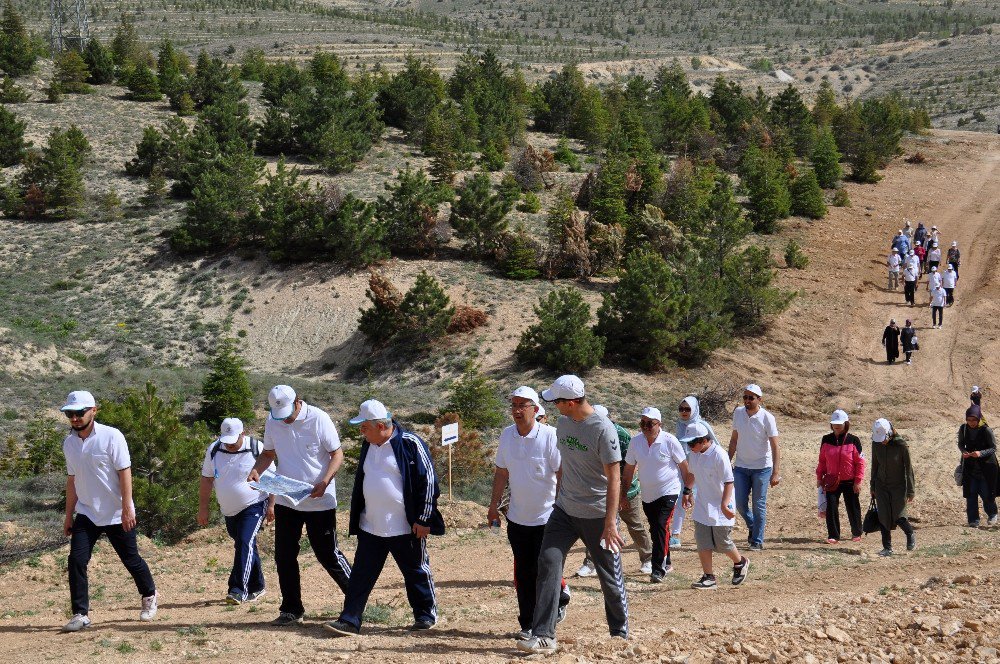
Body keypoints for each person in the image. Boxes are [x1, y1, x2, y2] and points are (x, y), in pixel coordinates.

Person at [517, 375, 629, 655]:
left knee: (609, 576)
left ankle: (620, 631)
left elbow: (614, 478)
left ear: (570, 402)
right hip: (565, 510)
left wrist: (610, 522)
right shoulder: (564, 424)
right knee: (548, 562)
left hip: (597, 513)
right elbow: (565, 465)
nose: (553, 406)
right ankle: (543, 634)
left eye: (556, 402)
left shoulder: (602, 429)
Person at [324, 400, 444, 637]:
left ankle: (425, 615)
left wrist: (423, 518)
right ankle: (350, 620)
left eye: (364, 427)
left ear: (380, 426)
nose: (361, 432)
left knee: (416, 571)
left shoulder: (410, 443)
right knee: (361, 575)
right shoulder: (368, 444)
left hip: (405, 526)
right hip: (372, 525)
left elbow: (428, 482)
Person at [248, 385, 351, 626]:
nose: (284, 420)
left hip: (319, 499)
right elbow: (268, 454)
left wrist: (325, 481)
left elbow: (337, 454)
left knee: (328, 554)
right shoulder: (273, 421)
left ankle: (356, 599)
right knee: (284, 555)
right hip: (287, 499)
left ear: (298, 402)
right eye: (279, 415)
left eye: (287, 414)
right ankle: (291, 609)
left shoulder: (319, 418)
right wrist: (255, 470)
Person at [60, 391, 158, 632]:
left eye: (80, 412)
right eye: (70, 414)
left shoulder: (111, 436)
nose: (75, 418)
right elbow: (72, 479)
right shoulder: (69, 443)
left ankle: (149, 596)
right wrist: (68, 515)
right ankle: (80, 613)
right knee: (76, 560)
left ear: (94, 410)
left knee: (131, 560)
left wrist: (127, 508)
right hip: (87, 512)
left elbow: (125, 471)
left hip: (116, 512)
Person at [487, 387, 569, 641]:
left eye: (523, 405)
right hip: (518, 517)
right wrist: (493, 506)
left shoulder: (550, 436)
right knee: (523, 573)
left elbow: (561, 473)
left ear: (535, 409)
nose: (517, 409)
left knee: (543, 571)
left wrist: (559, 507)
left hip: (547, 518)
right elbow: (501, 472)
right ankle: (528, 624)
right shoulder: (507, 436)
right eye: (514, 404)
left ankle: (545, 623)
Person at [198, 418, 275, 604]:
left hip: (255, 503)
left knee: (245, 541)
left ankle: (238, 589)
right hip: (229, 510)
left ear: (243, 434)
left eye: (233, 440)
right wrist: (203, 509)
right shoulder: (214, 450)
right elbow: (207, 479)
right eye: (226, 440)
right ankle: (257, 586)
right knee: (244, 544)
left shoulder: (257, 448)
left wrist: (272, 505)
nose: (230, 445)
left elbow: (273, 478)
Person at [576, 404, 652, 578]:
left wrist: (623, 494)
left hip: (625, 488)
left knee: (634, 524)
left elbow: (628, 467)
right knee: (595, 526)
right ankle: (590, 563)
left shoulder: (622, 435)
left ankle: (648, 558)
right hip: (600, 488)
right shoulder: (587, 433)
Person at [621, 407, 690, 583]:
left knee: (660, 525)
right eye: (642, 423)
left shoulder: (670, 441)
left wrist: (687, 491)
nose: (645, 427)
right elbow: (628, 470)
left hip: (669, 490)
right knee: (656, 529)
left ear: (659, 424)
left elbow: (684, 467)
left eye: (650, 423)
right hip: (648, 494)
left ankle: (657, 569)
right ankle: (667, 561)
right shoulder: (635, 442)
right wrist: (623, 494)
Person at [681, 422, 750, 589]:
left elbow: (729, 481)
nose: (689, 446)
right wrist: (687, 491)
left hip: (721, 506)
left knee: (722, 542)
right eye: (688, 443)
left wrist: (725, 504)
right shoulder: (694, 454)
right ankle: (708, 577)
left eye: (692, 443)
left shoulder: (719, 455)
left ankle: (740, 562)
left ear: (704, 440)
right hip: (703, 505)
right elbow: (692, 473)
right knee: (702, 541)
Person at [728, 384, 781, 550]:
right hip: (741, 466)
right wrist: (727, 462)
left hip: (762, 468)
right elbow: (734, 439)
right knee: (740, 503)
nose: (747, 400)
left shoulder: (767, 418)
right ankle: (753, 525)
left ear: (759, 400)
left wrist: (775, 472)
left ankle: (757, 540)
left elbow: (775, 446)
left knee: (759, 504)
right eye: (745, 397)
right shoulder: (738, 413)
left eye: (751, 397)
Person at [672, 396, 719, 547]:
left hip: (701, 468)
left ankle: (711, 533)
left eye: (687, 409)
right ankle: (675, 534)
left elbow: (714, 445)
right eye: (681, 409)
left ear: (694, 409)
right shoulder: (679, 425)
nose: (684, 412)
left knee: (702, 501)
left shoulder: (701, 425)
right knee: (681, 499)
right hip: (683, 468)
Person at [816, 410, 865, 544]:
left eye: (839, 424)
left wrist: (858, 480)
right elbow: (822, 460)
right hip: (832, 481)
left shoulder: (854, 440)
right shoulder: (826, 439)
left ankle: (856, 532)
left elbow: (860, 462)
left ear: (846, 423)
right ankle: (833, 535)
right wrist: (819, 477)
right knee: (831, 507)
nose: (836, 426)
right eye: (834, 424)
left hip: (850, 481)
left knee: (853, 506)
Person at [869, 418, 916, 556]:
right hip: (881, 485)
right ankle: (887, 548)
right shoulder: (876, 444)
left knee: (899, 515)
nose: (882, 441)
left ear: (890, 433)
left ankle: (910, 533)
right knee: (883, 516)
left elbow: (909, 469)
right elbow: (875, 465)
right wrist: (872, 485)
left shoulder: (902, 446)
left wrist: (911, 490)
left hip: (899, 486)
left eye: (884, 438)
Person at [957, 405, 998, 527]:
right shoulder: (963, 429)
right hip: (970, 468)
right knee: (971, 494)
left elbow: (993, 448)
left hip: (986, 468)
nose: (971, 423)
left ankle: (992, 514)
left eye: (974, 420)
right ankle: (973, 520)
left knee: (986, 493)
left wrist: (980, 453)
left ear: (979, 418)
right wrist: (964, 452)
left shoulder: (986, 430)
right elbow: (960, 444)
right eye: (969, 420)